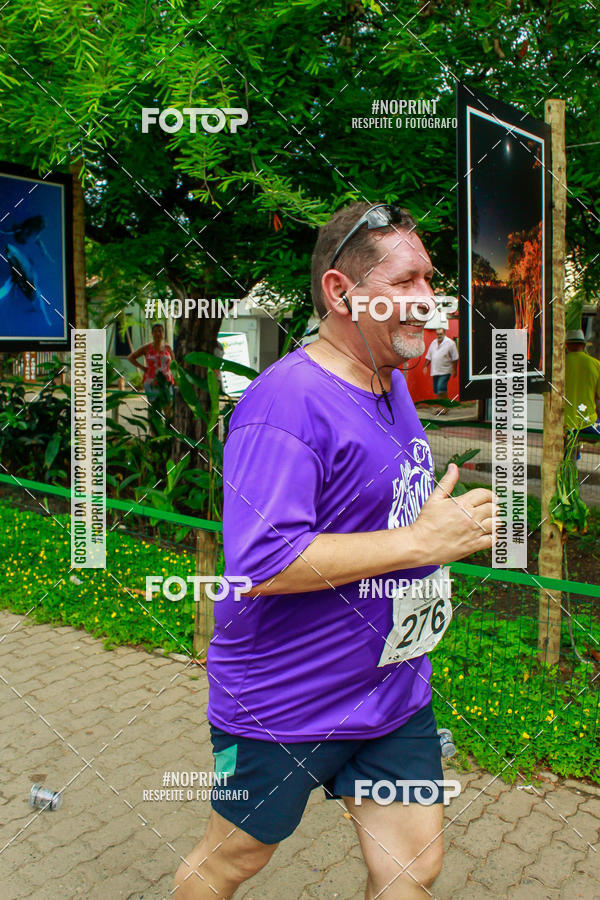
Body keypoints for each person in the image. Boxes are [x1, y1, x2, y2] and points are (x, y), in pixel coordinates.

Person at [174, 202, 497, 899]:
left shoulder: (392, 386)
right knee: (233, 859)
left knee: (413, 867)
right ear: (342, 293)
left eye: (429, 280)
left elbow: (382, 517)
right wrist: (419, 541)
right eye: (407, 281)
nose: (428, 300)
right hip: (284, 703)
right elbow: (260, 566)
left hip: (392, 694)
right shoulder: (285, 403)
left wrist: (441, 533)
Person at [128, 322, 175, 408]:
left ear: (163, 334)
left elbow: (175, 365)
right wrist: (143, 368)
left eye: (160, 331)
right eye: (155, 331)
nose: (158, 333)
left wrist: (175, 380)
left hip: (166, 382)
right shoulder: (147, 348)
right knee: (154, 411)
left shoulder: (168, 348)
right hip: (151, 382)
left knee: (168, 409)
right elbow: (131, 357)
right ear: (152, 333)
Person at [564, 329, 600, 436]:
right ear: (584, 346)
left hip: (564, 422)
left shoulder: (558, 365)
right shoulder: (596, 364)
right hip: (587, 421)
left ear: (566, 345)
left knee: (569, 448)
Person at [423, 327, 458, 415]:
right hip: (435, 370)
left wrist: (454, 370)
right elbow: (428, 356)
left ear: (444, 333)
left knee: (441, 388)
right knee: (437, 390)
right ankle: (443, 406)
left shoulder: (450, 343)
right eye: (437, 334)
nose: (439, 336)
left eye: (440, 334)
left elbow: (455, 357)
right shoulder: (433, 343)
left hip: (445, 370)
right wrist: (425, 366)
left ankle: (444, 407)